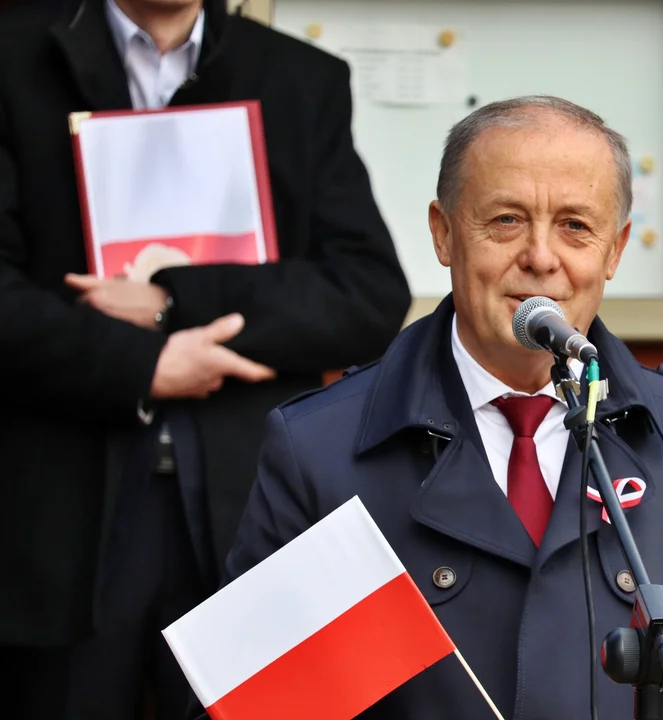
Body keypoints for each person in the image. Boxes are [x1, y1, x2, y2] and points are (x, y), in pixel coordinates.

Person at [209, 95, 663, 719]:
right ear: (444, 234)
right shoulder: (319, 448)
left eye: (575, 226)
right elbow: (247, 708)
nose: (541, 257)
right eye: (506, 220)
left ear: (615, 250)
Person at [0, 1, 411, 718]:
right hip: (61, 511)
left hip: (249, 499)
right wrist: (143, 364)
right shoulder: (15, 63)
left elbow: (369, 296)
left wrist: (175, 297)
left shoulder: (300, 78)